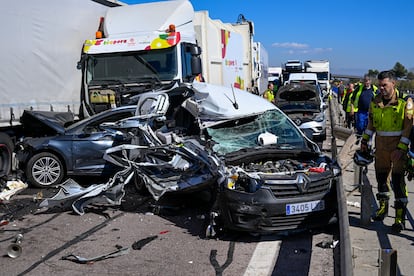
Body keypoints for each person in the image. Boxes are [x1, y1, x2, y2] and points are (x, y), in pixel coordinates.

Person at [360, 70, 413, 232]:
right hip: (381, 147)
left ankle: (399, 217)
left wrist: (401, 149)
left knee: (398, 182)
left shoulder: (405, 102)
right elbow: (371, 124)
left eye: (384, 85)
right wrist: (365, 139)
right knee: (381, 179)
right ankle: (383, 208)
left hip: (398, 148)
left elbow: (408, 128)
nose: (381, 88)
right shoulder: (375, 101)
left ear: (393, 84)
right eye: (379, 85)